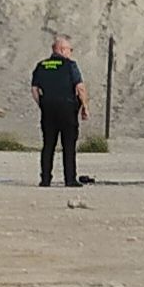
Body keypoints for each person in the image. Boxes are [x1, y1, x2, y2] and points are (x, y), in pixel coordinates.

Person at [32, 36, 88, 189]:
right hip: (67, 109)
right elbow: (80, 87)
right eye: (70, 49)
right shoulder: (70, 65)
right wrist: (85, 107)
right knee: (68, 145)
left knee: (48, 145)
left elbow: (34, 89)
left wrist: (42, 104)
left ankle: (45, 179)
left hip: (48, 110)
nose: (71, 52)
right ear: (62, 50)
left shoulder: (41, 65)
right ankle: (69, 179)